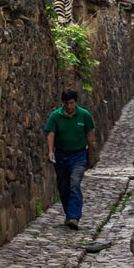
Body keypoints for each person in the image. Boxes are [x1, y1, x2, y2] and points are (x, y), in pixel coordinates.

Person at [44, 88, 95, 229]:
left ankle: (74, 216)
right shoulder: (55, 116)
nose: (69, 107)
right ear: (63, 103)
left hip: (79, 155)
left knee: (74, 183)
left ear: (76, 102)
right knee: (63, 186)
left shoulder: (84, 115)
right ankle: (69, 213)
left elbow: (90, 135)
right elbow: (51, 134)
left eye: (71, 103)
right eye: (66, 103)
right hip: (61, 156)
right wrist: (50, 151)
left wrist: (92, 154)